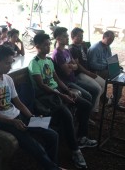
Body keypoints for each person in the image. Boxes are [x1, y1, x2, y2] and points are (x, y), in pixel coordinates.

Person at [0, 45, 60, 170]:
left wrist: (31, 116)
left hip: (18, 117)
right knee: (37, 149)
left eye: (11, 62)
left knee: (52, 134)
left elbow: (18, 103)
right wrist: (12, 121)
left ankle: (51, 165)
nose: (10, 66)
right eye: (7, 63)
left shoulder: (8, 79)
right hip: (4, 123)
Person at [28, 33, 97, 169]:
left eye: (49, 43)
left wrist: (67, 91)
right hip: (45, 97)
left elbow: (57, 80)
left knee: (86, 104)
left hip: (57, 93)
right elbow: (42, 86)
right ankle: (75, 150)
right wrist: (61, 95)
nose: (48, 46)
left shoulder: (48, 61)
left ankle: (82, 137)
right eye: (45, 44)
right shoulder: (34, 63)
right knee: (66, 114)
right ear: (37, 46)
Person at [51, 27, 93, 105]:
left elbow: (76, 66)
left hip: (74, 79)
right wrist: (72, 66)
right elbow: (67, 72)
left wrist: (70, 66)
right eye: (65, 36)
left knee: (94, 90)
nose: (67, 38)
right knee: (88, 97)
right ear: (58, 38)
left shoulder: (66, 50)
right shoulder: (57, 54)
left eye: (67, 36)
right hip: (67, 83)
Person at [69, 27, 105, 112]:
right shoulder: (72, 48)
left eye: (82, 36)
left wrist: (85, 47)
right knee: (98, 88)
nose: (81, 38)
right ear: (72, 37)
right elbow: (77, 64)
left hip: (87, 72)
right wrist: (88, 73)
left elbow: (86, 58)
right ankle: (92, 111)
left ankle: (94, 105)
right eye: (78, 36)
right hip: (80, 74)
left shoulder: (82, 46)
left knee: (104, 83)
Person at [87, 30, 124, 109]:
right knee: (118, 77)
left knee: (119, 72)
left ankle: (112, 100)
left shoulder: (107, 46)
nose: (111, 41)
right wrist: (107, 66)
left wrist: (115, 65)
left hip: (105, 69)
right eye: (110, 39)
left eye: (112, 40)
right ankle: (113, 102)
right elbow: (92, 65)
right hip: (96, 71)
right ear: (103, 37)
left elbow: (109, 59)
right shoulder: (95, 48)